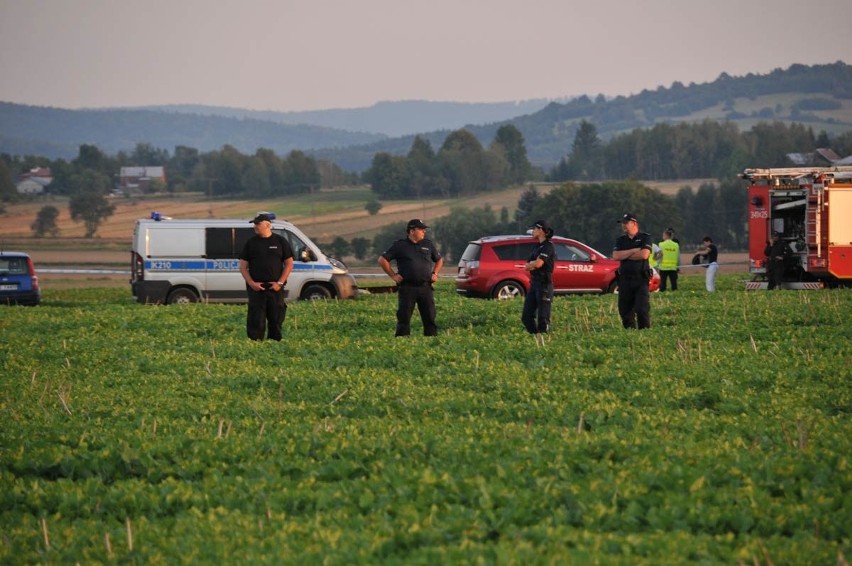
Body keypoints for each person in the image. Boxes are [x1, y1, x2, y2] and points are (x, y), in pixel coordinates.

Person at [378, 219, 443, 336]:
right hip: (407, 287)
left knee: (430, 316)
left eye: (424, 229)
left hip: (425, 287)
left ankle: (432, 340)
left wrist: (435, 273)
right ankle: (402, 341)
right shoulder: (400, 245)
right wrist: (393, 275)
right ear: (412, 231)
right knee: (404, 317)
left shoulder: (428, 244)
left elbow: (439, 260)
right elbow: (382, 260)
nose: (424, 232)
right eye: (421, 229)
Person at [238, 213, 294, 341]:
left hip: (275, 287)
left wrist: (279, 283)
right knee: (256, 319)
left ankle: (275, 343)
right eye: (254, 224)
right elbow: (242, 267)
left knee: (276, 318)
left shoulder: (280, 241)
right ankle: (255, 343)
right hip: (257, 288)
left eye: (258, 224)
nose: (255, 226)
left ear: (268, 225)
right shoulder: (251, 243)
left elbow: (289, 264)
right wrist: (252, 284)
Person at [612, 213, 652, 329]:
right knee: (625, 310)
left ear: (634, 223)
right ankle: (630, 333)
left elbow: (644, 255)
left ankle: (644, 332)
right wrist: (633, 251)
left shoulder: (645, 237)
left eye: (626, 223)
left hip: (640, 279)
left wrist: (625, 254)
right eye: (622, 224)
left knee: (641, 309)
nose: (623, 226)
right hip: (624, 280)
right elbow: (616, 256)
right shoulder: (620, 240)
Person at [522, 220, 556, 334]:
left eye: (535, 229)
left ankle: (544, 341)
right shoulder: (536, 247)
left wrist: (534, 264)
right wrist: (533, 264)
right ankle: (535, 338)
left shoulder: (548, 246)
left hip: (544, 285)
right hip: (534, 284)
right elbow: (527, 266)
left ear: (541, 230)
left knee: (543, 319)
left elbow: (538, 264)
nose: (533, 231)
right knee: (526, 316)